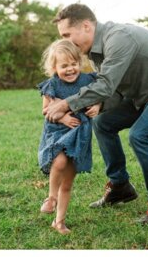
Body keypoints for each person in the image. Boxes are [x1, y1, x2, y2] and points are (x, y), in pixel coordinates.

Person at [45, 3, 148, 225]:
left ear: (86, 26)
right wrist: (100, 107)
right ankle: (120, 186)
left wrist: (66, 104)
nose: (67, 42)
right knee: (103, 123)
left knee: (140, 136)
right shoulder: (96, 52)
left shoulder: (119, 38)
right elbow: (114, 90)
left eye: (67, 35)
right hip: (143, 97)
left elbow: (105, 85)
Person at [37, 39, 101, 234]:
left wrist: (97, 106)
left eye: (74, 64)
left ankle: (59, 221)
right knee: (59, 163)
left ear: (79, 63)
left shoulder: (87, 81)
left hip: (79, 134)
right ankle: (51, 198)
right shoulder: (52, 85)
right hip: (57, 132)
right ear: (54, 67)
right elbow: (46, 110)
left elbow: (99, 95)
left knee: (68, 183)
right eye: (64, 66)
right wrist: (63, 117)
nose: (70, 69)